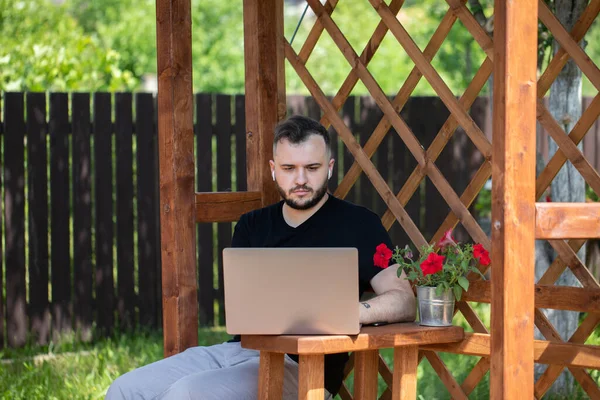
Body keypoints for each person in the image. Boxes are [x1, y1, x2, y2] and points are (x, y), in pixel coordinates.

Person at [106, 115, 416, 400]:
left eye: (312, 168)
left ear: (330, 167)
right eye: (288, 169)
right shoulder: (252, 225)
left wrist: (345, 313)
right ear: (272, 170)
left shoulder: (359, 224)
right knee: (125, 389)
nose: (300, 180)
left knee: (187, 394)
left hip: (305, 368)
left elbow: (404, 299)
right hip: (242, 351)